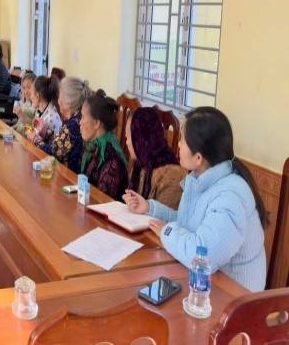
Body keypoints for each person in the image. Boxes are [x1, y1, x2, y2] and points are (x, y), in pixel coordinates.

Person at [123, 107, 268, 292]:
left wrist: (166, 231)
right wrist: (149, 208)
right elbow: (187, 223)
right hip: (205, 287)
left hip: (234, 298)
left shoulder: (230, 197)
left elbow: (203, 256)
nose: (178, 145)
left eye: (182, 140)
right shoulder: (201, 178)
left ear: (198, 157)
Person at [125, 107, 184, 209]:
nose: (127, 143)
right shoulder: (141, 165)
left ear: (140, 139)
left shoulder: (172, 176)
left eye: (128, 138)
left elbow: (162, 216)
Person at [80, 89, 128, 201]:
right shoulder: (92, 146)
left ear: (97, 123)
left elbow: (104, 200)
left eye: (83, 117)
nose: (80, 122)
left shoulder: (111, 157)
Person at [40, 77, 88, 172]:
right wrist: (48, 132)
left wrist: (36, 140)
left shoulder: (72, 126)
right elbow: (62, 142)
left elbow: (54, 153)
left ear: (68, 102)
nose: (58, 100)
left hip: (68, 175)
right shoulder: (77, 117)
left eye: (59, 96)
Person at [26, 75, 62, 148]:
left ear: (37, 96)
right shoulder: (41, 111)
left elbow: (51, 149)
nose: (30, 97)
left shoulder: (51, 118)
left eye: (31, 93)